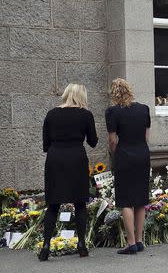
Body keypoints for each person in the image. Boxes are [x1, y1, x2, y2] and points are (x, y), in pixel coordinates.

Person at [39, 83, 98, 261]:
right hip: (76, 159)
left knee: (53, 204)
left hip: (55, 158)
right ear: (82, 96)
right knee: (80, 202)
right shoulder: (86, 114)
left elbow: (45, 144)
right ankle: (81, 244)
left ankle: (46, 245)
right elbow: (93, 141)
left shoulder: (51, 114)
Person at [106, 78, 151, 255]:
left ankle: (130, 242)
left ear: (115, 93)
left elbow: (112, 139)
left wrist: (113, 152)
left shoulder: (113, 112)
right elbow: (147, 136)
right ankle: (139, 240)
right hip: (142, 154)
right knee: (140, 199)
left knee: (125, 199)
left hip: (124, 155)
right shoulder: (144, 109)